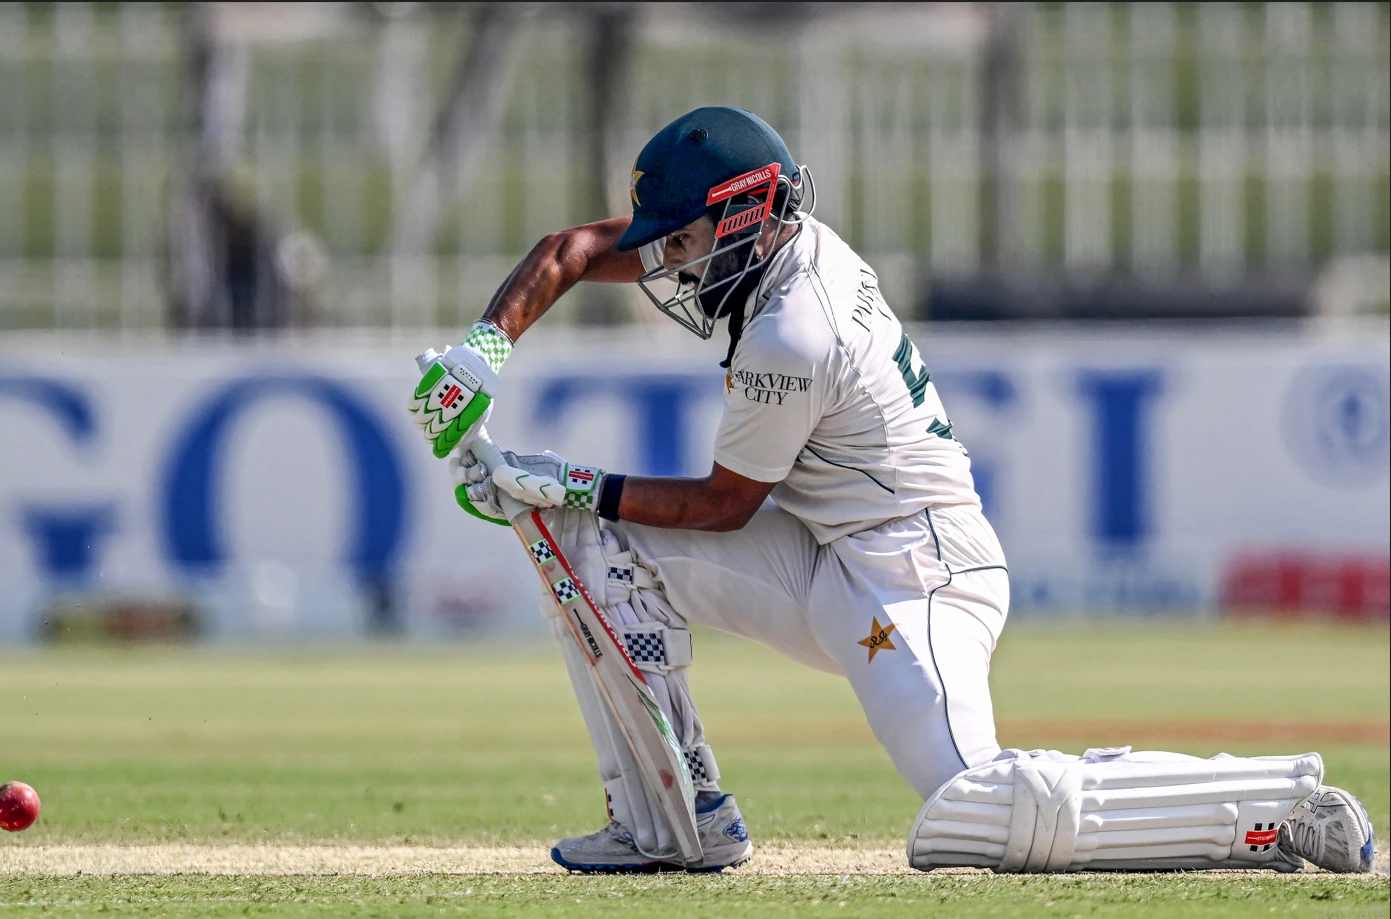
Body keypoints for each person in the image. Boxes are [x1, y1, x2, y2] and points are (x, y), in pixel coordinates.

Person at [409, 107, 1374, 874]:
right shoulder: (778, 242)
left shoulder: (797, 327)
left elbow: (724, 506)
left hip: (915, 572)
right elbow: (573, 247)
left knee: (971, 807)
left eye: (688, 239)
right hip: (828, 549)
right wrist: (482, 353)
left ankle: (1272, 808)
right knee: (582, 539)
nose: (672, 262)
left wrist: (564, 474)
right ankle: (675, 822)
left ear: (745, 216)